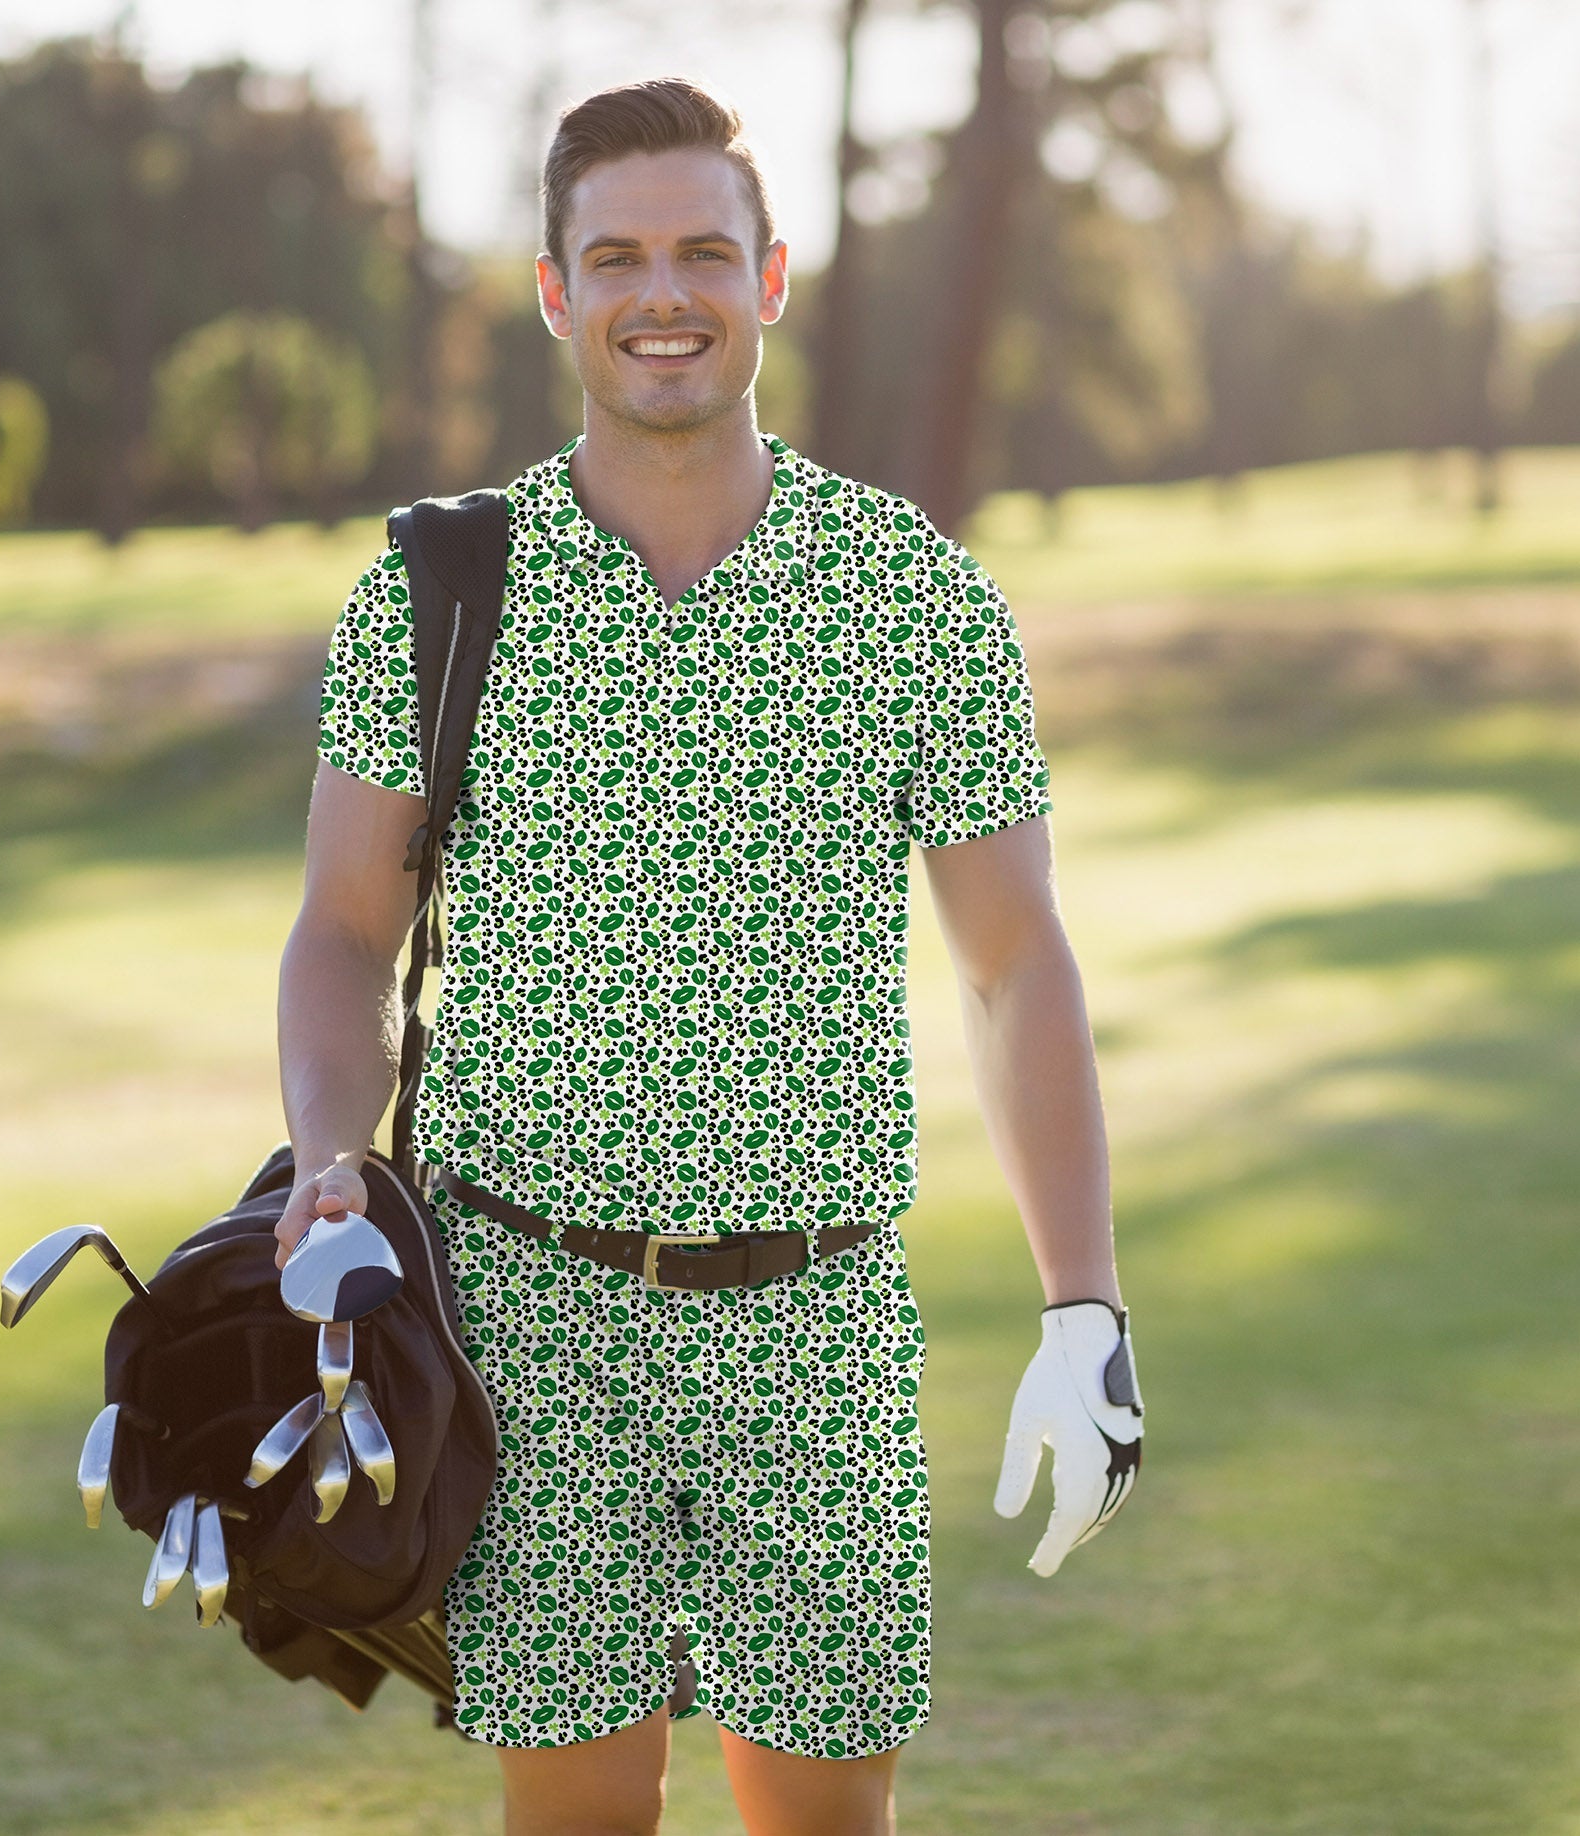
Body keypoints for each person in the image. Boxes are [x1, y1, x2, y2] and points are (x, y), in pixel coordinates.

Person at [274, 75, 1140, 1836]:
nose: (660, 290)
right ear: (554, 291)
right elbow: (346, 929)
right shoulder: (445, 585)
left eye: (700, 252)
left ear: (772, 277)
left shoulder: (912, 593)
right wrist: (327, 1159)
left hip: (819, 1323)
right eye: (617, 257)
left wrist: (1085, 1308)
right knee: (579, 1819)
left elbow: (1013, 967)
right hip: (526, 1320)